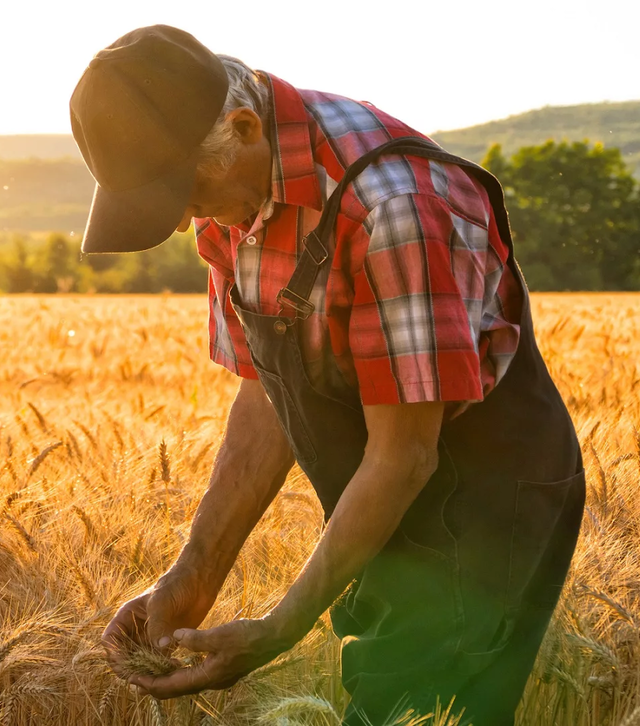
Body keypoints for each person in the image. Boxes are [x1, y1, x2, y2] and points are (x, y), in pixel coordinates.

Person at [70, 25, 586, 726]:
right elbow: (265, 398)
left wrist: (279, 631)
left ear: (244, 127)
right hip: (377, 495)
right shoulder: (233, 197)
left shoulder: (392, 208)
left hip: (482, 501)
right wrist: (191, 578)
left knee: (399, 710)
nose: (183, 220)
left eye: (185, 193)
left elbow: (405, 455)